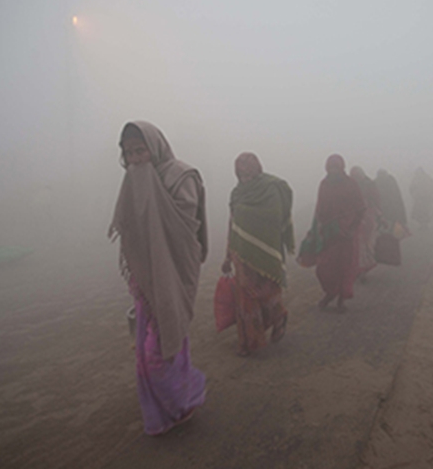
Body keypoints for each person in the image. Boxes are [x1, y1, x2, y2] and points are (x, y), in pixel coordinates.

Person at [108, 121, 208, 436]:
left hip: (174, 272)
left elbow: (183, 225)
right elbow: (129, 226)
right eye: (129, 154)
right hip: (146, 282)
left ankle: (185, 397)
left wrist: (152, 198)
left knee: (160, 347)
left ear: (156, 147)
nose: (136, 160)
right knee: (146, 349)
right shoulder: (134, 181)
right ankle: (169, 410)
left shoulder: (181, 175)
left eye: (141, 151)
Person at [222, 153, 294, 356]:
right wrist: (227, 255)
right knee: (245, 297)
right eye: (240, 172)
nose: (244, 176)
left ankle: (279, 316)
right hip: (241, 253)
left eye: (248, 171)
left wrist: (255, 223)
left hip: (266, 250)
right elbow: (233, 224)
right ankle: (250, 343)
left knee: (267, 291)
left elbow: (275, 217)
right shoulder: (236, 194)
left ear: (257, 168)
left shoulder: (270, 188)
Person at [300, 154, 365, 313]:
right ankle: (331, 292)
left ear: (342, 167)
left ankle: (341, 300)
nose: (333, 171)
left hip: (347, 235)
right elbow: (319, 209)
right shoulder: (324, 184)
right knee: (324, 267)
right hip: (328, 235)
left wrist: (352, 228)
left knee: (345, 267)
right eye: (331, 168)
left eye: (336, 167)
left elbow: (360, 208)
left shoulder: (351, 184)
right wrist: (315, 229)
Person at [350, 166, 380, 280]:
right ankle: (358, 269)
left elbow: (376, 199)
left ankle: (363, 269)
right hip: (354, 219)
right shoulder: (349, 186)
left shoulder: (369, 184)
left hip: (367, 218)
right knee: (356, 245)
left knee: (366, 244)